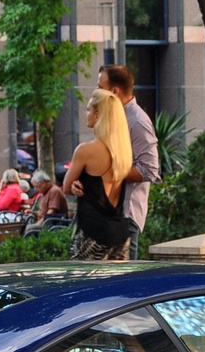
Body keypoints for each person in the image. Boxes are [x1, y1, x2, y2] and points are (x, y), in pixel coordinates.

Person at [98, 65, 160, 257]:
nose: (96, 92)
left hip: (125, 215)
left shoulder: (137, 121)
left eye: (100, 86)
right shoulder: (113, 117)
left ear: (114, 91)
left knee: (122, 281)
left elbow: (149, 170)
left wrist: (109, 173)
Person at [63, 88, 133, 261]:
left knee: (84, 285)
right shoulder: (123, 152)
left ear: (98, 114)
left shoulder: (86, 150)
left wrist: (73, 185)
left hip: (91, 234)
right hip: (119, 233)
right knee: (115, 286)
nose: (86, 114)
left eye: (88, 109)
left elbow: (66, 186)